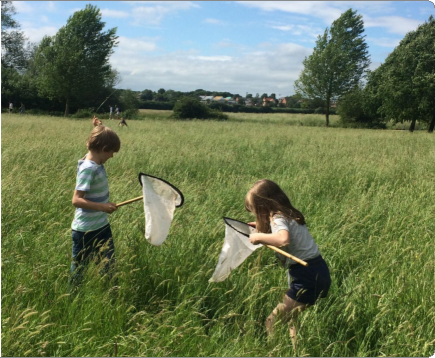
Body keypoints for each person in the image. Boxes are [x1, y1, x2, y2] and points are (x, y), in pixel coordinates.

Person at [245, 179, 331, 344]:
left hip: (305, 275)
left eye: (255, 210)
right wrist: (259, 227)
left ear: (264, 205)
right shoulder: (289, 214)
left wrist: (258, 236)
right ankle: (295, 351)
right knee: (293, 320)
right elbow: (279, 229)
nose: (255, 214)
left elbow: (283, 238)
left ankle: (273, 352)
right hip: (318, 270)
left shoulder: (277, 217)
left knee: (271, 321)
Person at [70, 125, 121, 288]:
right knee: (79, 271)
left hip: (102, 227)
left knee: (109, 268)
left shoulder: (95, 161)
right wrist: (102, 207)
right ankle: (73, 299)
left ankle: (112, 298)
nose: (112, 156)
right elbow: (76, 200)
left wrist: (98, 126)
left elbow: (95, 143)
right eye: (112, 152)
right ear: (104, 148)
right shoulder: (88, 168)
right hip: (85, 232)